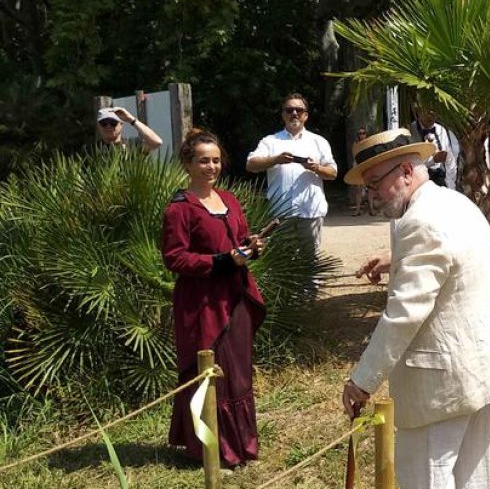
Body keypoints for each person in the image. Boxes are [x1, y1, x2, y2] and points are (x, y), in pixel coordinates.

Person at [340, 128, 490, 488]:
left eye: (376, 182)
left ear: (407, 171)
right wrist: (397, 260)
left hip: (438, 386)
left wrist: (361, 382)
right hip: (475, 373)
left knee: (426, 480)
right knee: (471, 478)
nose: (372, 194)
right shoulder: (452, 202)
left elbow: (403, 315)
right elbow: (450, 259)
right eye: (368, 185)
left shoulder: (420, 222)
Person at [161, 129, 266, 468]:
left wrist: (252, 246)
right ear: (188, 164)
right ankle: (213, 448)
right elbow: (174, 257)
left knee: (238, 372)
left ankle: (242, 443)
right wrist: (221, 261)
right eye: (203, 160)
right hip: (202, 302)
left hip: (235, 296)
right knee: (211, 372)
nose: (211, 166)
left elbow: (239, 240)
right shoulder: (180, 209)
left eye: (216, 160)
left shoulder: (229, 200)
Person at [246, 94, 337, 257]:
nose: (294, 113)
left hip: (310, 212)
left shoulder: (319, 141)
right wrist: (276, 159)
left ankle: (310, 284)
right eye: (289, 110)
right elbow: (251, 164)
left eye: (299, 110)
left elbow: (333, 173)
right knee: (283, 262)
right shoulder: (270, 141)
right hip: (280, 213)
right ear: (283, 115)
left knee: (310, 261)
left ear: (306, 115)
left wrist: (316, 167)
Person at [411, 107, 462, 190]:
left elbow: (450, 161)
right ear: (419, 111)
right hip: (420, 186)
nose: (431, 117)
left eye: (434, 113)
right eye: (428, 113)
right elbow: (411, 163)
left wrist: (450, 187)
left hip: (441, 183)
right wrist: (433, 160)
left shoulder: (441, 130)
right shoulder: (411, 130)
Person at [96, 106, 163, 154]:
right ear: (98, 126)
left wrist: (131, 119)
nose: (108, 126)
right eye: (103, 123)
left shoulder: (133, 145)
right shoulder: (90, 150)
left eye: (113, 123)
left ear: (121, 124)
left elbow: (157, 142)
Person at [350, 127, 376, 216]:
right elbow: (354, 155)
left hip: (368, 165)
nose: (362, 135)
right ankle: (357, 209)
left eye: (363, 133)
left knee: (370, 188)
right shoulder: (356, 144)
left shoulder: (369, 143)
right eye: (360, 133)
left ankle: (371, 209)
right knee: (359, 189)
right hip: (359, 166)